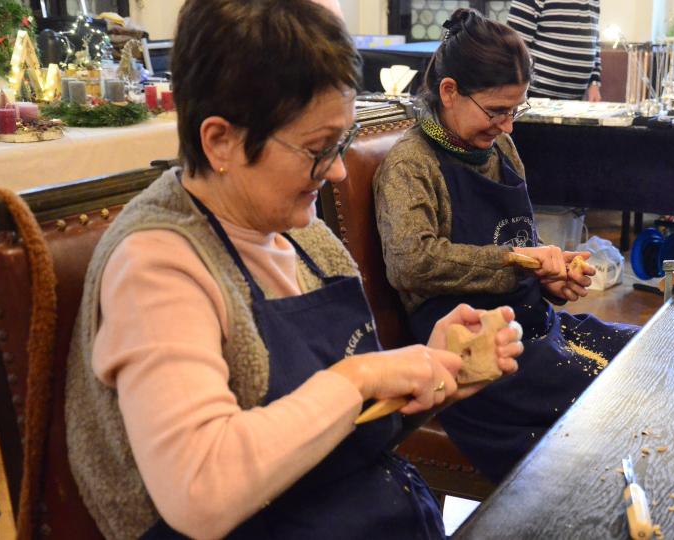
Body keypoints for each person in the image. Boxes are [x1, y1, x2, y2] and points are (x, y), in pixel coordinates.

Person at [64, 1, 522, 539]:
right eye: (316, 148)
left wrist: (432, 368)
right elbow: (201, 492)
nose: (337, 171)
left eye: (341, 142)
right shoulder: (156, 266)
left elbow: (338, 426)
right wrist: (360, 377)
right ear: (221, 141)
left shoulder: (300, 233)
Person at [373, 8, 638, 483]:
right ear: (449, 91)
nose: (508, 125)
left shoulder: (499, 149)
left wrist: (551, 275)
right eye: (496, 111)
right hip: (474, 354)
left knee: (643, 356)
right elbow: (411, 263)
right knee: (610, 402)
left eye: (516, 110)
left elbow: (522, 240)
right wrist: (519, 262)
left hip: (534, 326)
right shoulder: (411, 166)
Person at [507, 0, 602, 101]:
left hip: (576, 98)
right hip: (536, 95)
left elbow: (594, 42)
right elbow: (514, 46)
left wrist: (594, 83)